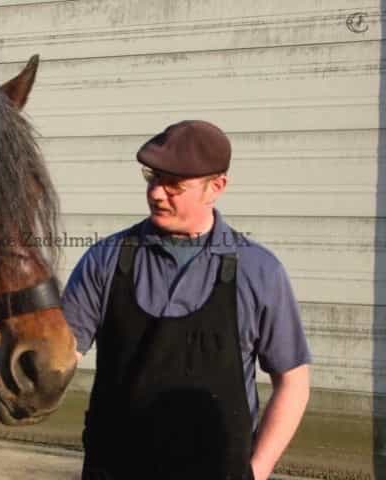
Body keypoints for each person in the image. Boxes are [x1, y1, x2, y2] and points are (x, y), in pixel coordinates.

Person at [62, 120, 311, 480]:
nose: (156, 193)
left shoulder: (258, 271)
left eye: (173, 184)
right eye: (152, 177)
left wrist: (255, 471)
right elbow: (61, 355)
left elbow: (293, 383)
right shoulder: (107, 259)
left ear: (217, 187)